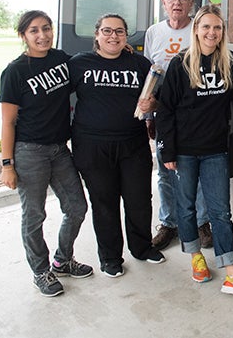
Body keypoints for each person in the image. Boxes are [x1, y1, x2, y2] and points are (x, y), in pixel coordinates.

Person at [156, 4, 233, 296]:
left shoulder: (229, 61)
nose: (211, 32)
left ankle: (232, 272)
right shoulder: (180, 64)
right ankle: (196, 258)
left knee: (221, 212)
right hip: (184, 152)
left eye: (217, 27)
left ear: (222, 32)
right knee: (186, 208)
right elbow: (165, 111)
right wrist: (167, 152)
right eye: (206, 27)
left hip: (216, 150)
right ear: (196, 30)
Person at [0, 10, 93, 297]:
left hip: (59, 149)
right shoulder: (15, 71)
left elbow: (89, 62)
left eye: (46, 28)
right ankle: (41, 271)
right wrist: (7, 164)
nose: (42, 35)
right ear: (23, 36)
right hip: (29, 152)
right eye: (34, 31)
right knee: (34, 216)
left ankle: (63, 260)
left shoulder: (61, 60)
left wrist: (119, 48)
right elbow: (7, 122)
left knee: (77, 207)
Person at [69, 14, 165, 278]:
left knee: (139, 200)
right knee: (104, 203)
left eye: (119, 31)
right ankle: (110, 257)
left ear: (126, 36)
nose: (113, 36)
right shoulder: (78, 64)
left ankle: (142, 247)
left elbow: (157, 99)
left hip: (132, 144)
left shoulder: (139, 64)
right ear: (97, 34)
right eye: (108, 31)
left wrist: (152, 106)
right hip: (92, 146)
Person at [144, 0, 213, 251]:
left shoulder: (199, 30)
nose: (177, 4)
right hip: (164, 114)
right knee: (165, 171)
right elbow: (149, 75)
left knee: (196, 171)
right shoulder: (153, 33)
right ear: (163, 3)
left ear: (191, 4)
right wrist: (149, 117)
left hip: (195, 114)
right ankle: (168, 223)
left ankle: (202, 223)